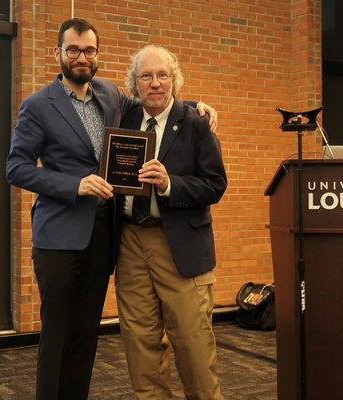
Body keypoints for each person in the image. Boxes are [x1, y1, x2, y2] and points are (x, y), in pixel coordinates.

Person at [6, 18, 217, 400]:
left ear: (98, 54)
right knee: (57, 334)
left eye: (89, 50)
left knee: (86, 333)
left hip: (103, 235)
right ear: (59, 54)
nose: (82, 57)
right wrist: (74, 185)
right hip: (58, 237)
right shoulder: (37, 105)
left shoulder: (108, 94)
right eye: (73, 50)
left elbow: (155, 100)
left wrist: (193, 103)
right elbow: (16, 167)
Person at [116, 44, 227, 400]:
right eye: (146, 76)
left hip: (179, 245)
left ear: (174, 80)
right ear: (134, 84)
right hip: (131, 243)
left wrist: (169, 184)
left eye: (163, 75)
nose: (155, 83)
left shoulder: (196, 123)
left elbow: (215, 184)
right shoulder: (126, 120)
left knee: (193, 347)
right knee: (140, 343)